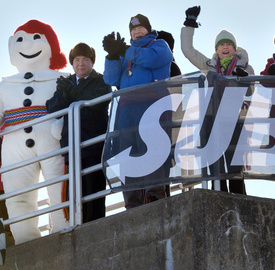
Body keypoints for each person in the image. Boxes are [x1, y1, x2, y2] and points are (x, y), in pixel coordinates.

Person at [0, 19, 69, 245]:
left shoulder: (62, 80)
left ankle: (63, 229)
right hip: (13, 143)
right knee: (17, 196)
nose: (27, 45)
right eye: (20, 40)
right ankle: (25, 240)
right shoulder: (4, 85)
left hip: (52, 138)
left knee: (59, 187)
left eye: (36, 38)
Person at [181, 6, 255, 194]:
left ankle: (239, 207)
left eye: (228, 44)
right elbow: (187, 50)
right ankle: (219, 202)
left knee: (235, 168)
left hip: (236, 121)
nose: (224, 47)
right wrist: (190, 24)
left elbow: (252, 91)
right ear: (216, 49)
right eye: (221, 45)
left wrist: (243, 79)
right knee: (216, 167)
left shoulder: (245, 66)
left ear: (234, 48)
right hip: (212, 120)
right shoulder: (209, 66)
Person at [102, 14, 173, 209]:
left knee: (152, 150)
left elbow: (152, 60)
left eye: (140, 28)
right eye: (133, 30)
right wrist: (113, 56)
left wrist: (125, 49)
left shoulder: (159, 45)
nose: (136, 31)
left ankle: (155, 197)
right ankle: (131, 204)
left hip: (153, 104)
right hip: (126, 109)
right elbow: (110, 79)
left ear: (148, 29)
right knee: (127, 154)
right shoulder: (126, 54)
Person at [46, 43, 112, 223]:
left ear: (92, 62)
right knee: (74, 195)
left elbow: (98, 103)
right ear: (72, 63)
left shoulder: (101, 80)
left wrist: (72, 93)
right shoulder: (66, 84)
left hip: (93, 146)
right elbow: (51, 107)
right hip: (71, 147)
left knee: (93, 193)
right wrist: (68, 93)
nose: (81, 64)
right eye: (77, 60)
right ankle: (76, 227)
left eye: (85, 60)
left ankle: (96, 229)